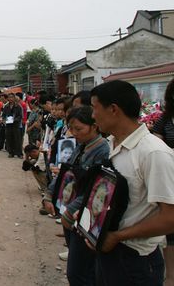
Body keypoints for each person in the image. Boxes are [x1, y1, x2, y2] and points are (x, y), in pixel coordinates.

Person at [90, 80, 174, 285]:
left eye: (94, 108)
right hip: (109, 251)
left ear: (113, 110)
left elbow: (170, 218)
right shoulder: (111, 144)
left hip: (135, 261)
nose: (92, 116)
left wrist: (118, 236)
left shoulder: (153, 153)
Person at [45, 105, 110, 285]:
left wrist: (69, 212)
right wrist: (49, 194)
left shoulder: (103, 150)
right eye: (71, 128)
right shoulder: (82, 146)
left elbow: (94, 190)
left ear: (95, 126)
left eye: (78, 129)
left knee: (80, 273)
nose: (73, 133)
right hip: (71, 215)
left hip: (82, 218)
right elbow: (67, 173)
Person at [152, 77, 174, 285]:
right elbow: (157, 144)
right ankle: (170, 277)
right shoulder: (165, 120)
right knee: (171, 230)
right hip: (171, 177)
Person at [3, 93, 23, 158]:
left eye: (12, 97)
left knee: (17, 139)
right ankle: (11, 152)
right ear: (8, 98)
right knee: (9, 139)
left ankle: (19, 153)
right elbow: (3, 115)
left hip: (16, 125)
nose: (11, 99)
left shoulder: (18, 106)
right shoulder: (6, 106)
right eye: (9, 97)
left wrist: (15, 119)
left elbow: (20, 116)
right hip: (8, 125)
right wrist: (4, 120)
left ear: (14, 98)